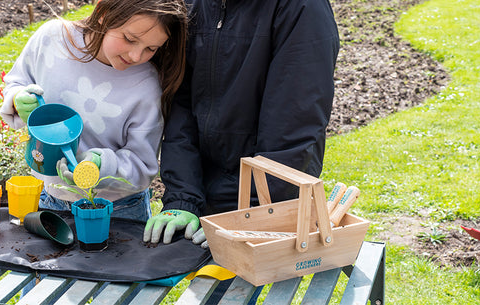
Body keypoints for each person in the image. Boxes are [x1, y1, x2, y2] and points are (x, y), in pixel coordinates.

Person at [143, 0, 340, 249]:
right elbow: (181, 107)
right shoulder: (195, 4)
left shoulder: (302, 8)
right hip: (199, 201)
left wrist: (251, 216)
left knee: (230, 287)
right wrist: (183, 200)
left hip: (259, 211)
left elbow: (295, 129)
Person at [0, 0, 188, 223]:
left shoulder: (147, 86)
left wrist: (102, 166)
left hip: (118, 210)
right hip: (47, 198)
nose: (136, 56)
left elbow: (142, 165)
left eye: (151, 48)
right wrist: (17, 98)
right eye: (129, 39)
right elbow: (18, 80)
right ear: (103, 12)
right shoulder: (51, 39)